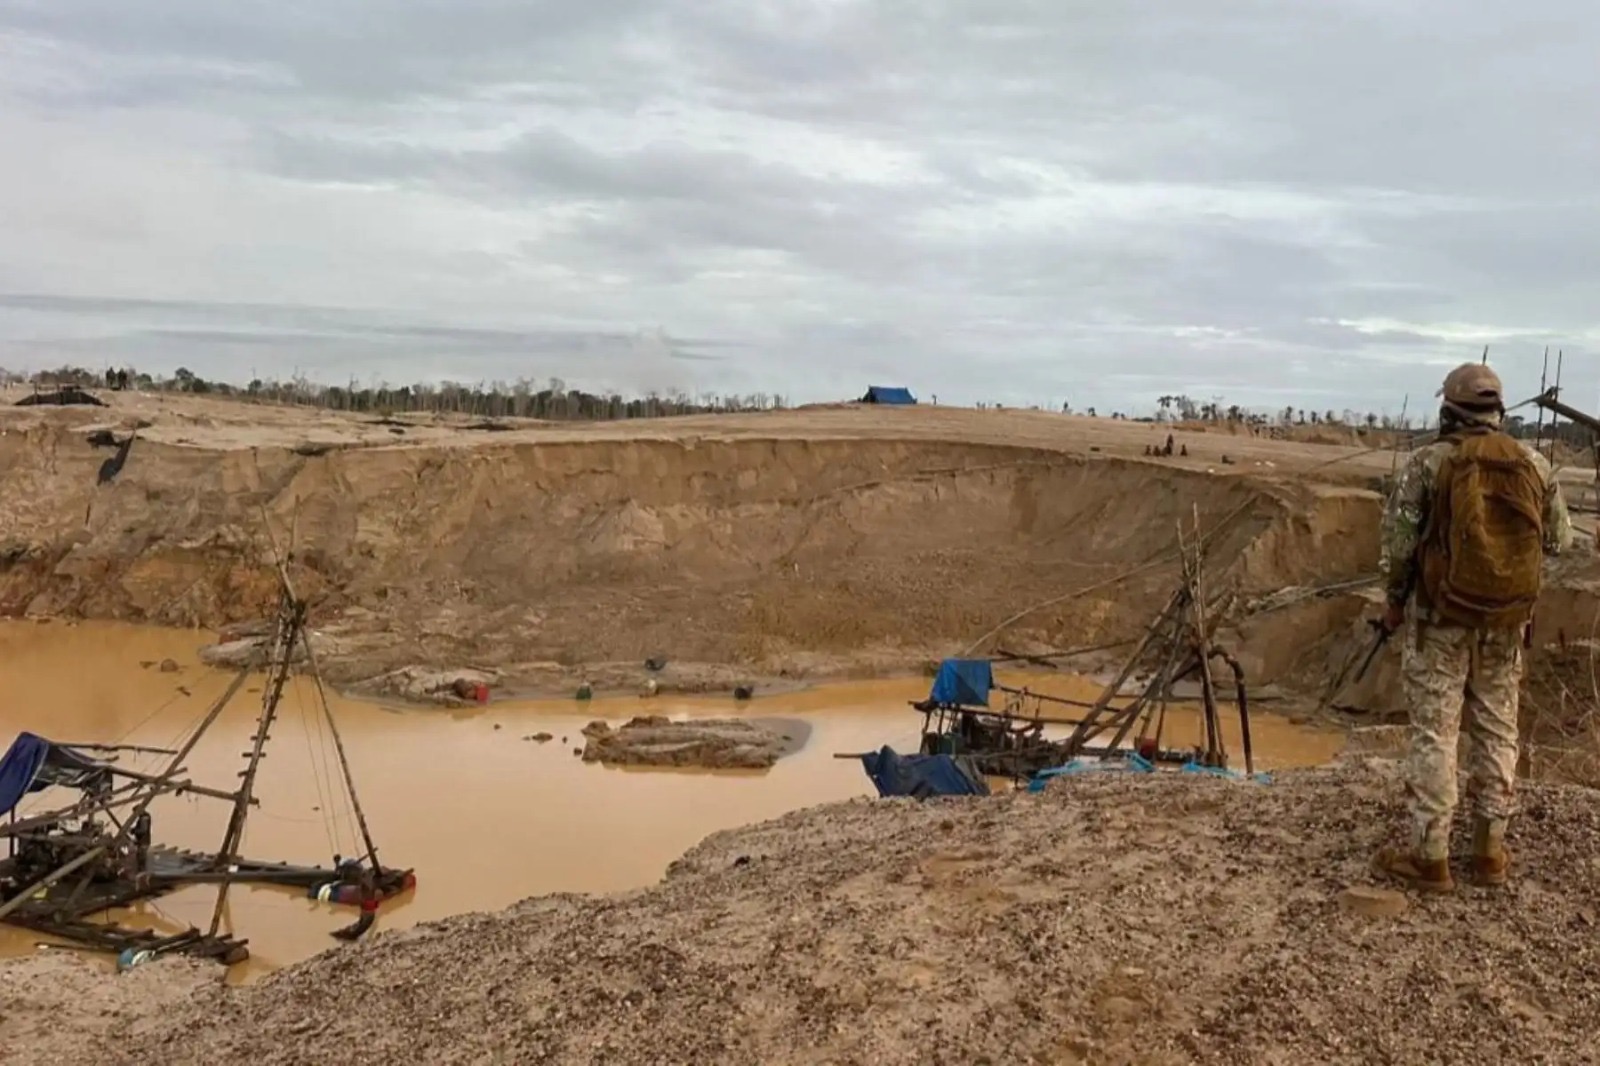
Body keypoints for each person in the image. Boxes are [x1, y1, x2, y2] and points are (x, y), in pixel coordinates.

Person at [1373, 362, 1572, 892]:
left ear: (1448, 410)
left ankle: (1431, 858)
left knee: (1437, 733)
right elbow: (1560, 542)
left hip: (1438, 619)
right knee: (1497, 728)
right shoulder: (1533, 464)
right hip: (1505, 623)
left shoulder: (1426, 465)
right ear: (1498, 411)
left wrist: (1394, 602)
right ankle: (1489, 853)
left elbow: (1396, 548)